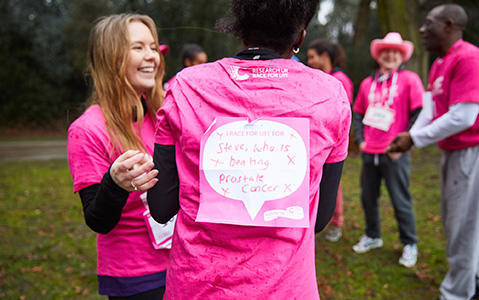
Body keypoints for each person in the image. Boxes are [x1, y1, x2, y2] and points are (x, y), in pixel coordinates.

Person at [147, 0, 351, 298]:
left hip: (196, 288)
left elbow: (161, 207)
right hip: (287, 290)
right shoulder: (331, 95)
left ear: (239, 28)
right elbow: (319, 218)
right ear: (300, 37)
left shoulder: (185, 87)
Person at [67, 14, 171, 299]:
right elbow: (98, 220)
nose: (151, 56)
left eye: (153, 47)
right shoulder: (87, 130)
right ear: (111, 58)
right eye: (138, 47)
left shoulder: (164, 115)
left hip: (182, 264)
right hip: (136, 279)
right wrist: (115, 184)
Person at [388, 4, 479, 299]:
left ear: (450, 25)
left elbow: (463, 116)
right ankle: (471, 279)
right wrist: (412, 135)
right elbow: (430, 109)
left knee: (462, 228)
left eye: (429, 24)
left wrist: (415, 140)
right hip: (452, 152)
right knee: (459, 221)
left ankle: (456, 293)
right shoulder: (440, 62)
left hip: (470, 152)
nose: (422, 30)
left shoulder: (468, 58)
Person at [351, 32, 423, 268]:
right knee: (368, 197)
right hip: (370, 151)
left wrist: (405, 144)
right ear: (379, 55)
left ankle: (409, 243)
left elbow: (418, 114)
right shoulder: (366, 83)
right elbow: (358, 113)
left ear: (401, 56)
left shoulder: (410, 80)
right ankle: (373, 236)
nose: (390, 55)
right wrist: (360, 140)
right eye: (386, 51)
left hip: (394, 153)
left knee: (400, 199)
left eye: (395, 52)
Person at [308, 39, 354, 242]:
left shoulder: (339, 80)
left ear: (324, 56)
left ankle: (337, 222)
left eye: (312, 57)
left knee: (334, 185)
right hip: (320, 141)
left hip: (332, 144)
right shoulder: (320, 78)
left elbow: (343, 114)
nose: (309, 62)